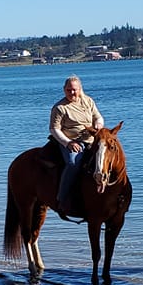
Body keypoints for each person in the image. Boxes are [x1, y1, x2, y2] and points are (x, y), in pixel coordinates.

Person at [49, 75, 105, 219]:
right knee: (73, 163)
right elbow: (54, 129)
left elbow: (98, 117)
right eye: (68, 90)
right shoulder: (60, 107)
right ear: (64, 90)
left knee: (107, 158)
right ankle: (62, 198)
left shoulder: (88, 101)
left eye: (74, 90)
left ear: (80, 89)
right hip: (71, 141)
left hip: (91, 139)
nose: (71, 93)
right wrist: (68, 143)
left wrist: (98, 124)